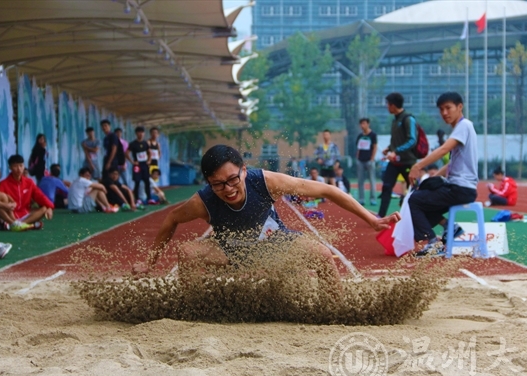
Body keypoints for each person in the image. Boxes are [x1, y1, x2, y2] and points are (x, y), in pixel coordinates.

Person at [145, 145, 400, 290]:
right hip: (229, 250)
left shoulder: (266, 182)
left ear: (244, 171)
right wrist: (150, 262)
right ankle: (194, 309)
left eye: (233, 179)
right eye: (218, 184)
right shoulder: (203, 201)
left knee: (323, 255)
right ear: (209, 183)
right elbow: (171, 219)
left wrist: (371, 219)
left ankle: (336, 310)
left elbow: (327, 190)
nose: (228, 189)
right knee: (187, 252)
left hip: (274, 244)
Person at [408, 92, 478, 257]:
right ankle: (449, 227)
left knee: (415, 201)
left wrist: (418, 166)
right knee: (422, 196)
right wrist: (432, 178)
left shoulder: (464, 126)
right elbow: (451, 164)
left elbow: (444, 149)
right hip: (461, 188)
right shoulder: (461, 128)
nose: (444, 113)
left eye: (448, 108)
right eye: (441, 109)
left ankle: (433, 243)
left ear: (459, 107)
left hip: (460, 189)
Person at [379, 92, 417, 218]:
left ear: (393, 105)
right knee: (386, 187)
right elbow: (396, 140)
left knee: (414, 190)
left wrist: (396, 151)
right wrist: (389, 148)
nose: (386, 107)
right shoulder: (395, 120)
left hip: (408, 162)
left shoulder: (408, 119)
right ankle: (380, 216)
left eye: (388, 104)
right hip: (395, 162)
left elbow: (412, 140)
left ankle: (417, 215)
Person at [0, 154, 54, 230]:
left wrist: (50, 207)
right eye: (15, 166)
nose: (19, 169)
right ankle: (24, 225)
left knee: (44, 209)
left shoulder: (29, 182)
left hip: (25, 215)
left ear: (24, 166)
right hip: (10, 216)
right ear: (10, 167)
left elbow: (40, 196)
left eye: (21, 166)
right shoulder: (3, 184)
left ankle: (19, 225)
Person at [355, 118, 378, 206]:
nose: (362, 125)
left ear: (368, 124)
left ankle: (373, 199)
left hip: (369, 160)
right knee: (360, 181)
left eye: (364, 123)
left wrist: (372, 159)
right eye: (361, 124)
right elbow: (358, 148)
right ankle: (361, 199)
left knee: (372, 180)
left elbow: (375, 147)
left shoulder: (373, 135)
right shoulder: (360, 136)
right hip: (360, 161)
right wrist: (357, 158)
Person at [127, 126, 151, 208]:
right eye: (139, 132)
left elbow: (149, 152)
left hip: (145, 165)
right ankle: (137, 199)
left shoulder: (145, 143)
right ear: (136, 133)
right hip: (137, 166)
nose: (140, 134)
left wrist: (149, 160)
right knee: (137, 182)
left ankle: (149, 198)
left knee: (147, 181)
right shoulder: (133, 144)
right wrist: (132, 161)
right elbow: (126, 153)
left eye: (142, 132)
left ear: (144, 133)